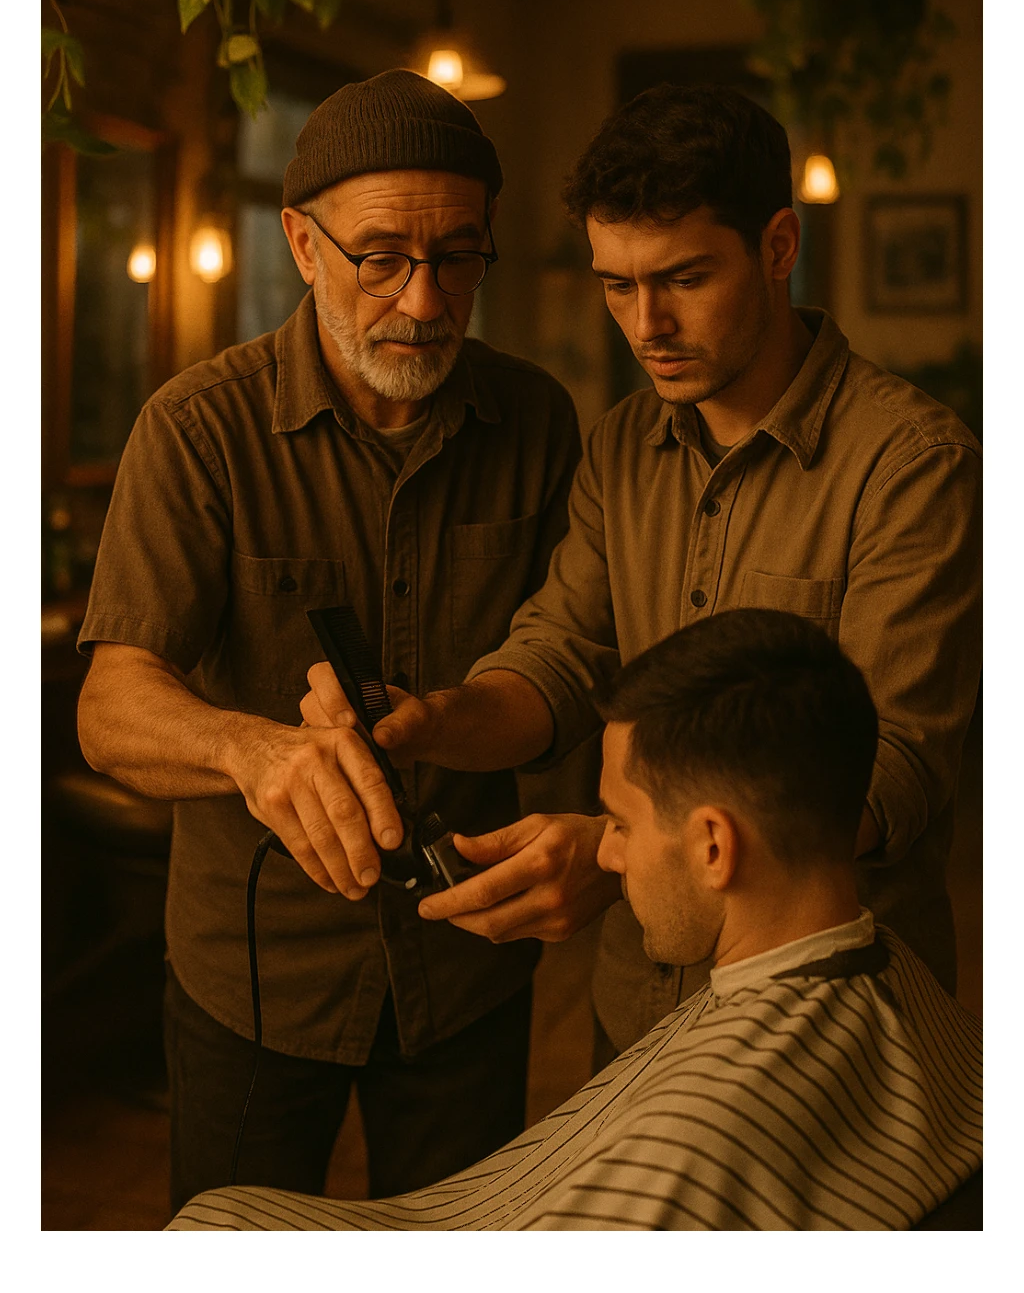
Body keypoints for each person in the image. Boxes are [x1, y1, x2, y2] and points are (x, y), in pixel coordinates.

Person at [300, 82, 982, 1062]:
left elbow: (886, 779)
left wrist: (624, 854)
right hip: (643, 1010)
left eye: (682, 278)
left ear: (779, 247)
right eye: (615, 284)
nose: (644, 322)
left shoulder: (912, 463)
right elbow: (564, 652)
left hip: (828, 1027)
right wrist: (437, 719)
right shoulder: (623, 445)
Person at [75, 70, 600, 1212]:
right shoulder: (197, 427)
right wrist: (253, 753)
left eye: (458, 258)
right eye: (380, 260)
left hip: (468, 963)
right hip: (256, 977)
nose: (422, 302)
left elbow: (582, 657)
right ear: (301, 245)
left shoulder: (539, 420)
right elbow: (110, 706)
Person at [167, 610, 982, 1231]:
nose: (609, 856)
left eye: (620, 823)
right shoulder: (915, 996)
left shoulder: (690, 1152)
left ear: (712, 846)